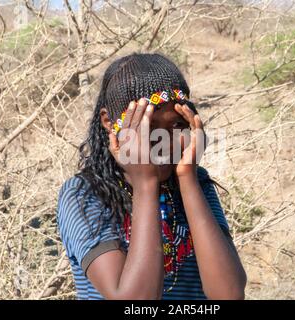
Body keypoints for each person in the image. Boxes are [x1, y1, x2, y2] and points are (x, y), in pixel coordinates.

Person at [56, 53, 247, 300]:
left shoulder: (195, 183)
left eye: (177, 126)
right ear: (108, 121)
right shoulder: (84, 194)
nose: (164, 144)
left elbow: (229, 294)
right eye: (148, 129)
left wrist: (188, 179)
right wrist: (146, 184)